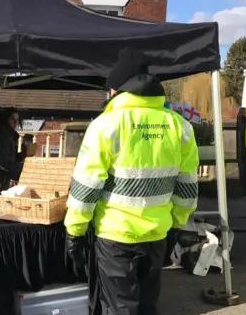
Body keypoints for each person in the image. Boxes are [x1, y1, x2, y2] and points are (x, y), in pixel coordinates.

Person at [64, 48, 200, 315]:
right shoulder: (180, 126)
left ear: (116, 90)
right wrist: (176, 225)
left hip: (115, 236)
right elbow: (187, 187)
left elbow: (86, 187)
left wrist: (74, 232)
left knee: (120, 308)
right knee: (148, 305)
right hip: (157, 234)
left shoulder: (106, 125)